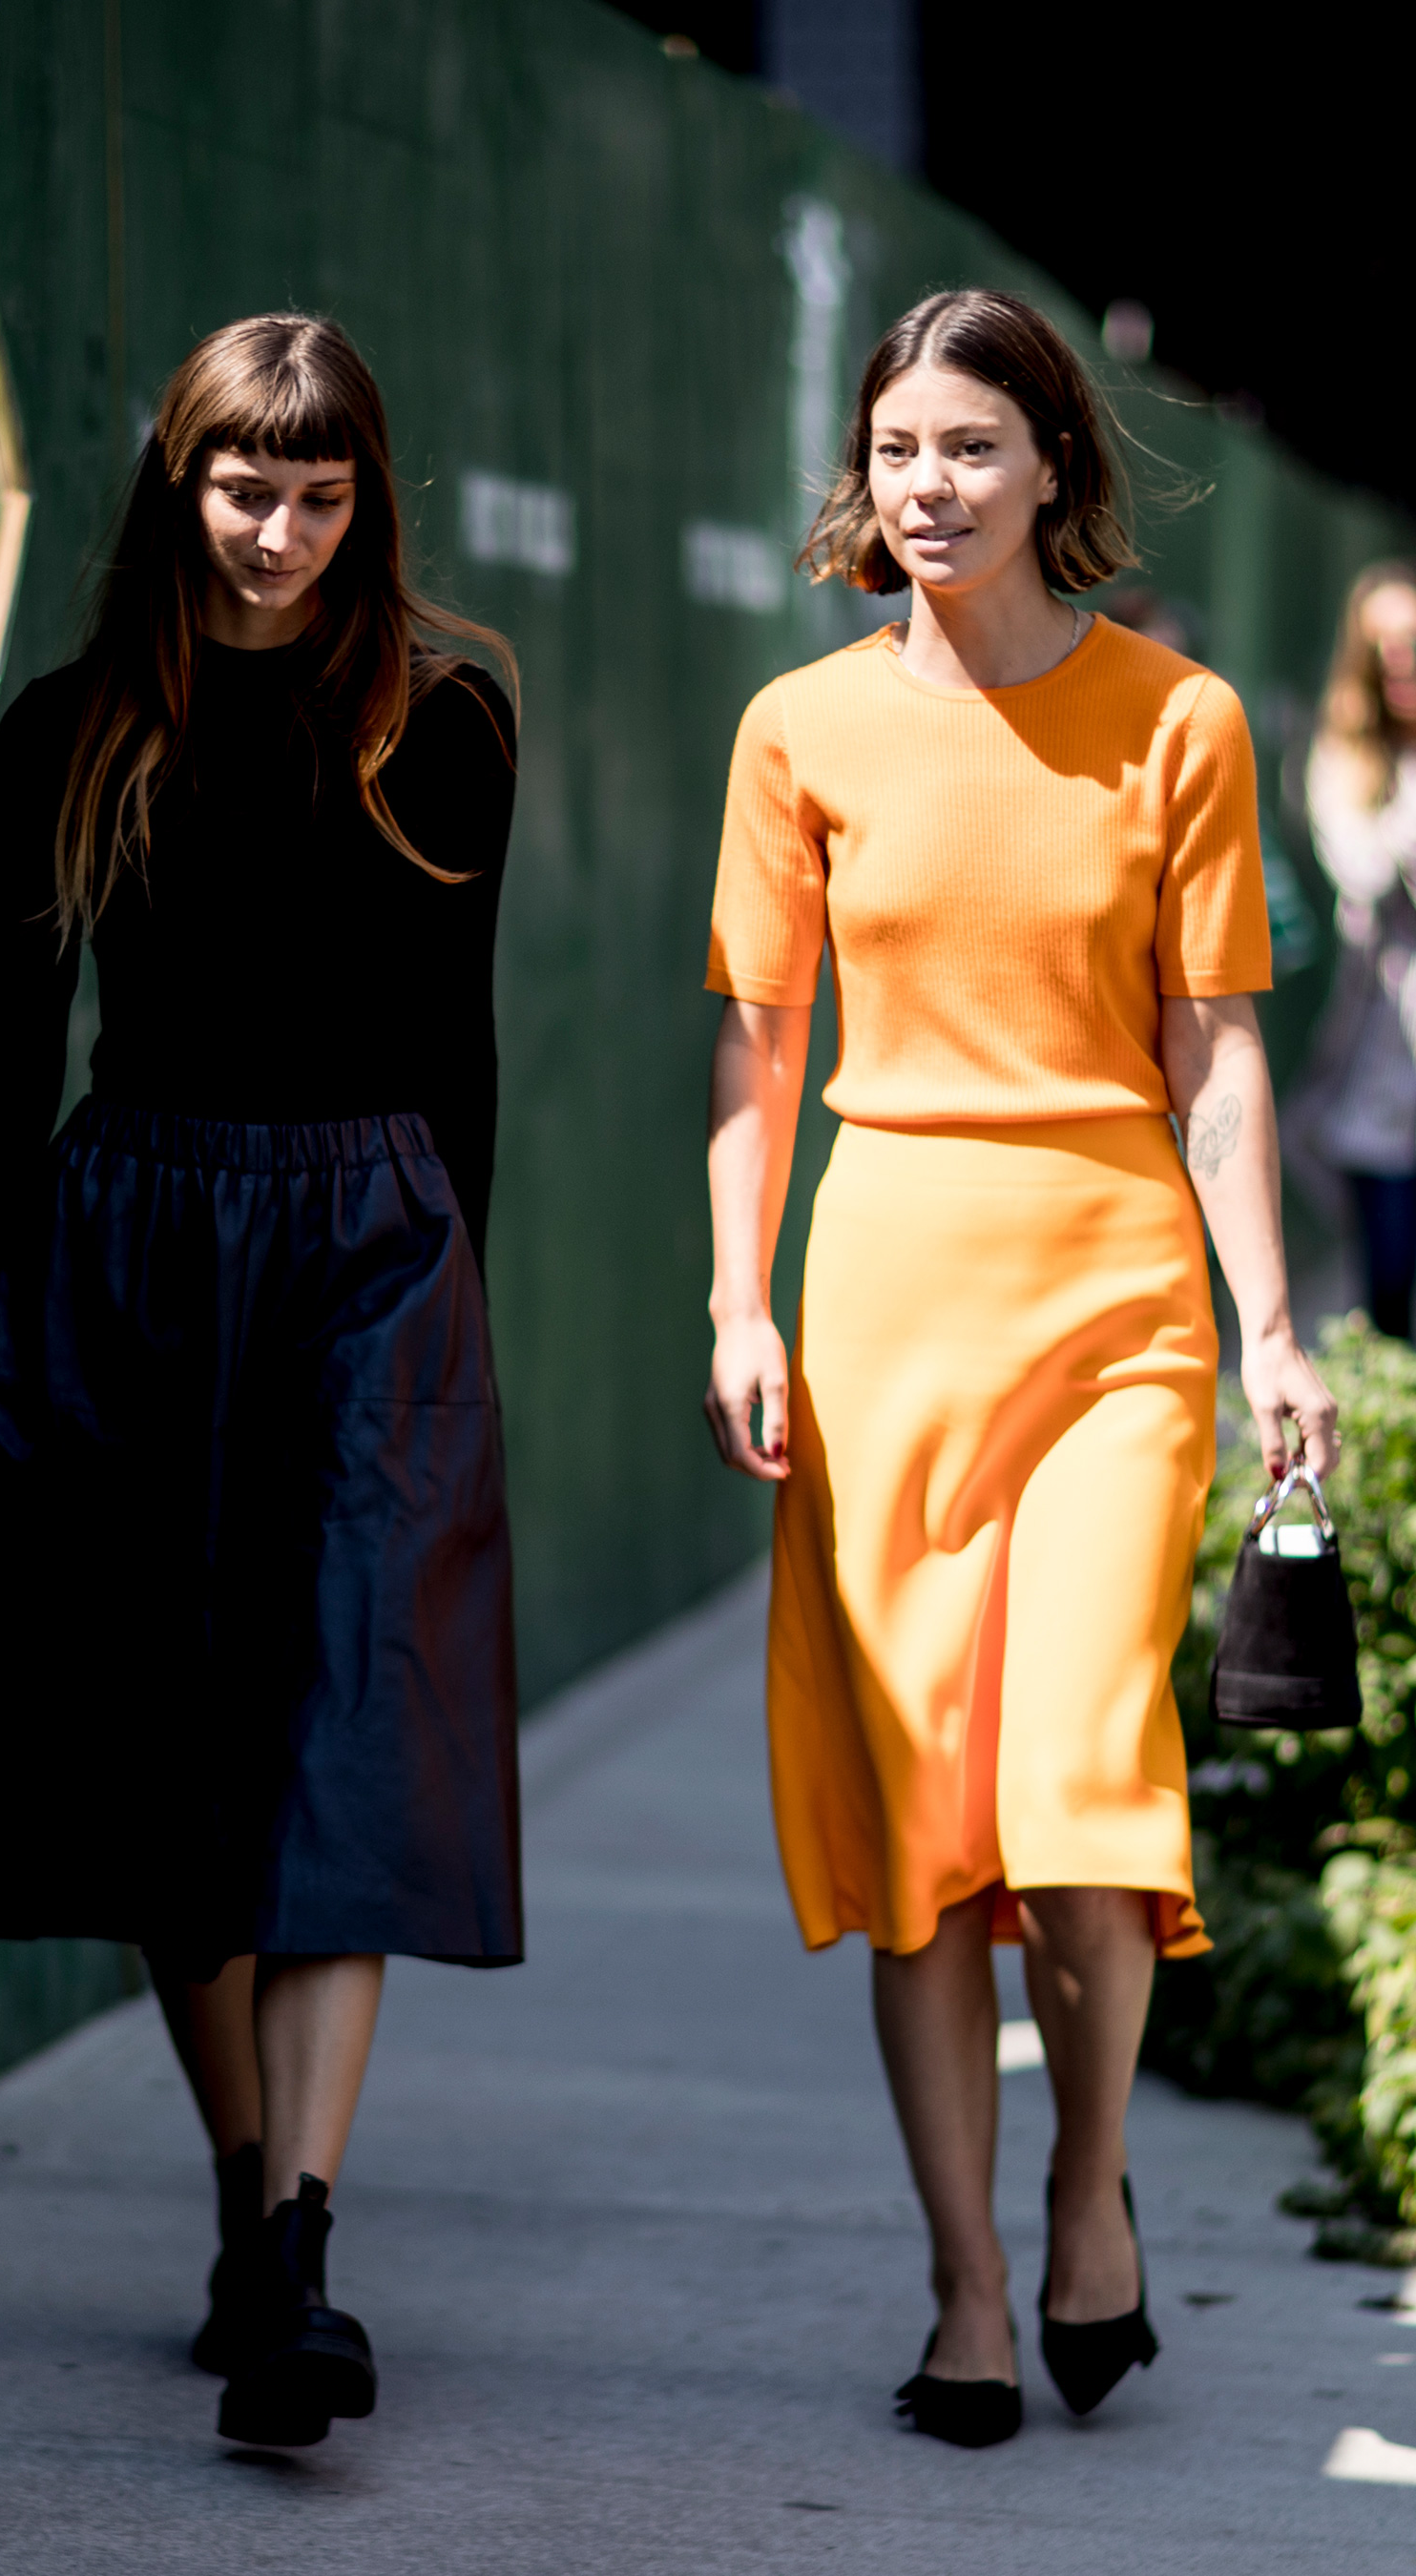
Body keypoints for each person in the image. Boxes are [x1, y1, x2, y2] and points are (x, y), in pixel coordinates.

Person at [701, 288, 1337, 2447]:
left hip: (1117, 1298)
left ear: (1054, 463)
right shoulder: (798, 727)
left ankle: (1086, 2190)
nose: (931, 485)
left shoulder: (1180, 719)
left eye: (972, 445)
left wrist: (1269, 1329)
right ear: (859, 475)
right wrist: (738, 1301)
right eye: (897, 449)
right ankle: (965, 2288)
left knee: (1075, 1786)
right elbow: (757, 1047)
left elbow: (1215, 1050)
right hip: (884, 1294)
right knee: (918, 1831)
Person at [0, 312, 523, 2453]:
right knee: (180, 1780)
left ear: (369, 499)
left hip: (370, 1259)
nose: (282, 533)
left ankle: (307, 2257)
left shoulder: (442, 714)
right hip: (132, 1259)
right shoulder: (74, 729)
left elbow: (458, 1049)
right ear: (181, 484)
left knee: (347, 1745)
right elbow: (8, 1056)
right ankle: (250, 2199)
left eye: (324, 496)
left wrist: (457, 1322)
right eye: (249, 490)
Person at [1292, 564, 1416, 1337]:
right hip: (1384, 1063)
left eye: (1412, 642)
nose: (1399, 661)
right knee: (1390, 1278)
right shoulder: (1346, 759)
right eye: (1383, 647)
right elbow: (1365, 870)